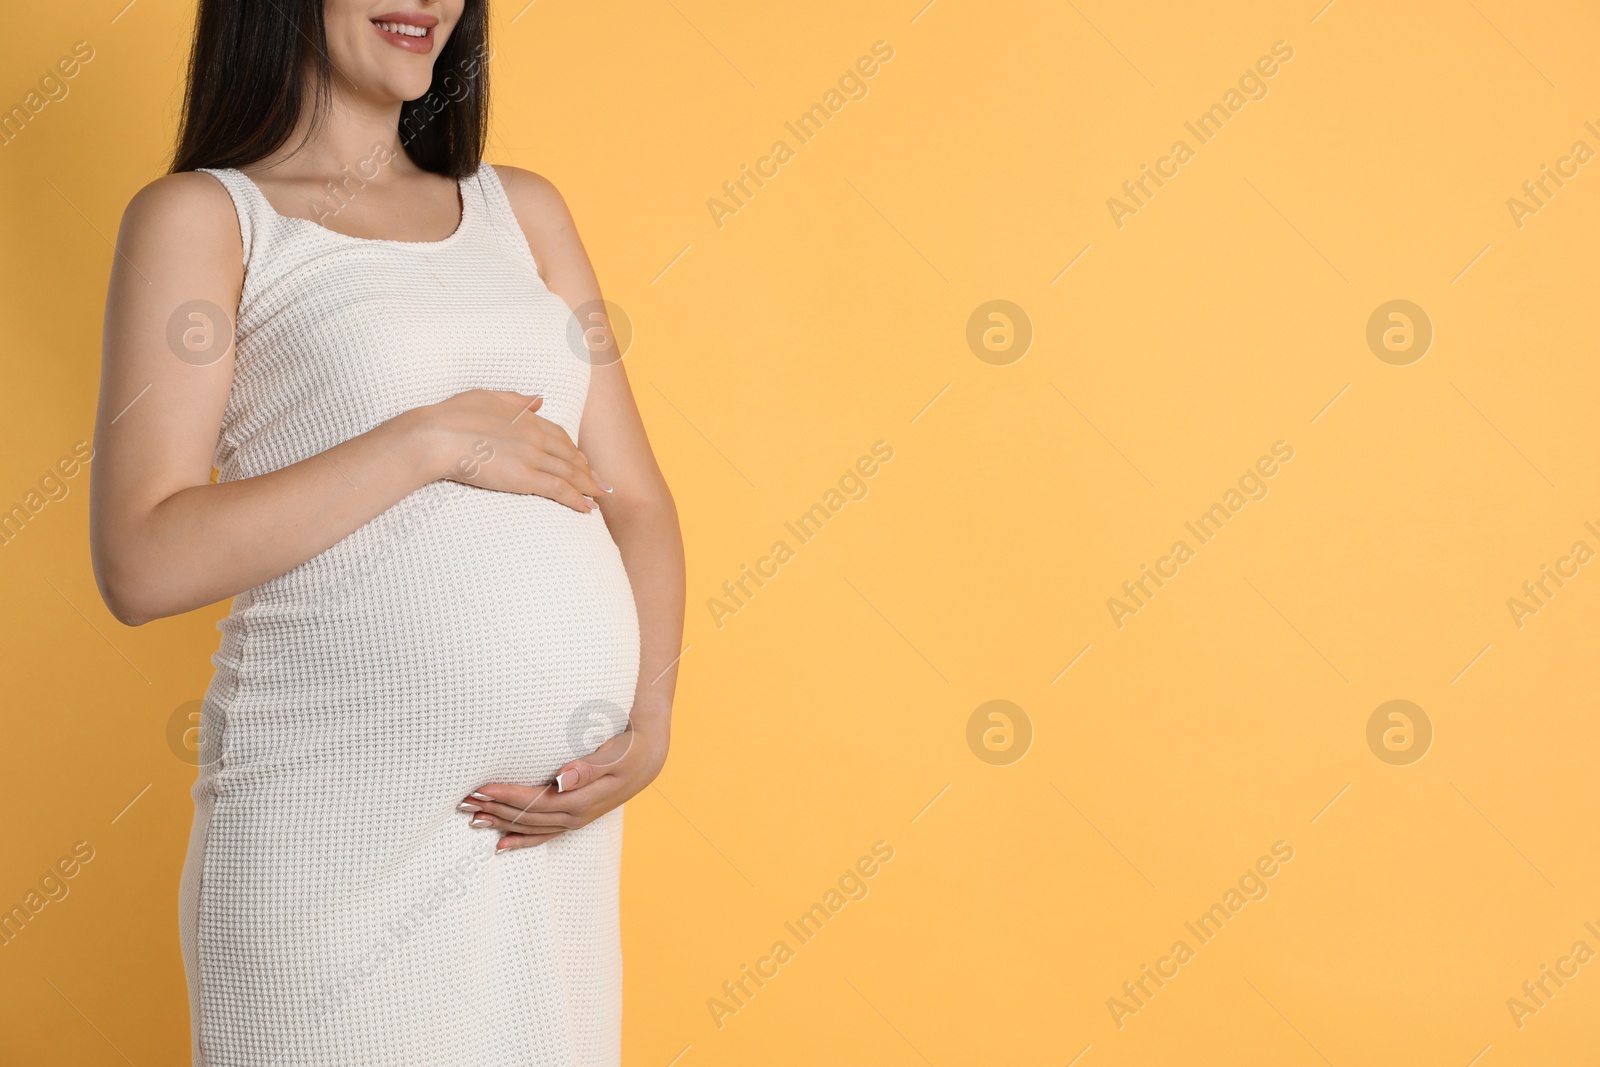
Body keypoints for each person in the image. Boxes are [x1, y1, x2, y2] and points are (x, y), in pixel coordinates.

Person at [87, 1, 685, 1063]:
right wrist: (423, 443)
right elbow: (142, 556)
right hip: (332, 833)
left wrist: (645, 722)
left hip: (543, 841)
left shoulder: (524, 212)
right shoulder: (207, 218)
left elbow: (634, 496)